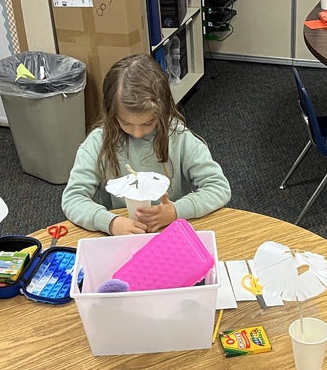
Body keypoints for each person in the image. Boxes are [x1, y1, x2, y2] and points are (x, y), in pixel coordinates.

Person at [62, 54, 231, 235]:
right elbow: (73, 198)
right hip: (124, 233)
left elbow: (218, 187)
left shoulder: (179, 137)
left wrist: (176, 211)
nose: (137, 133)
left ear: (163, 111)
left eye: (148, 123)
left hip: (172, 233)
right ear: (112, 114)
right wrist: (110, 222)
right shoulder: (98, 143)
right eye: (126, 123)